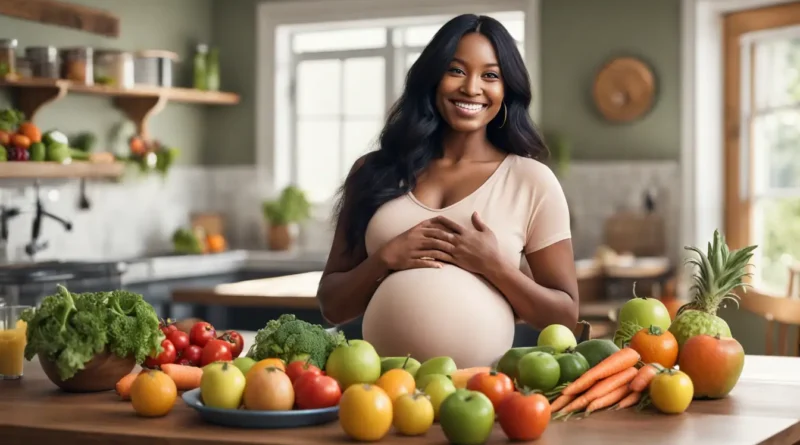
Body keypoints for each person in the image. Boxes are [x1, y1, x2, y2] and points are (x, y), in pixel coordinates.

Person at [316, 14, 579, 368]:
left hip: (481, 396)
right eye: (456, 70)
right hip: (383, 394)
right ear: (432, 78)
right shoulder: (373, 172)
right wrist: (384, 259)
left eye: (490, 75)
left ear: (507, 89)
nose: (471, 88)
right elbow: (332, 305)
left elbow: (564, 316)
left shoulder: (531, 180)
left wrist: (493, 266)